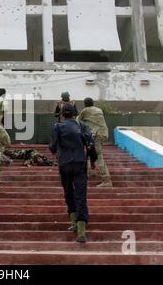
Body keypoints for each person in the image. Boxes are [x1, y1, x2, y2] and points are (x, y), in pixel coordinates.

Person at [49, 104, 96, 243]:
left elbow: (52, 147)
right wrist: (93, 160)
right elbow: (91, 145)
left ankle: (73, 222)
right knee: (81, 195)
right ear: (75, 114)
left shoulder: (57, 127)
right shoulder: (81, 125)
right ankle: (81, 231)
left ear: (62, 114)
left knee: (68, 192)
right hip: (80, 163)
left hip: (64, 165)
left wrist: (57, 151)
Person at [77, 98, 112, 188]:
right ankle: (91, 172)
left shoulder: (85, 110)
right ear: (93, 103)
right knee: (90, 152)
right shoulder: (98, 110)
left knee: (98, 156)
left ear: (85, 104)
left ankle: (106, 180)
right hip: (103, 134)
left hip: (96, 135)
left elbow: (77, 121)